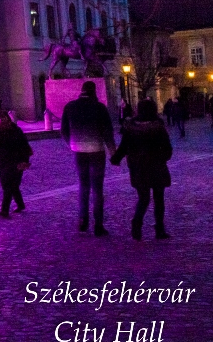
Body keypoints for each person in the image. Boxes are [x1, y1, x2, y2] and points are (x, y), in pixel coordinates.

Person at [61, 80, 116, 236]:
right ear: (94, 91)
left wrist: (71, 144)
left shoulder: (70, 107)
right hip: (96, 150)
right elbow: (107, 133)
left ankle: (82, 220)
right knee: (97, 188)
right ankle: (98, 224)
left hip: (78, 150)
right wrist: (113, 153)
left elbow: (64, 130)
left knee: (83, 185)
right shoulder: (99, 108)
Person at [111, 98, 172, 240]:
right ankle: (159, 229)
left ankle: (137, 224)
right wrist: (163, 157)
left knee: (143, 198)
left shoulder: (130, 127)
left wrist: (116, 159)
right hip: (156, 165)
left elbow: (124, 146)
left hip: (138, 167)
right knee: (158, 198)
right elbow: (167, 148)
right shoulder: (158, 126)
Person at [0, 114, 33, 217]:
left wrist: (24, 161)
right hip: (2, 162)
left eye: (4, 121)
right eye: (0, 121)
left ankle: (5, 210)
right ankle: (20, 204)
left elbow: (24, 146)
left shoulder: (15, 131)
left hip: (16, 161)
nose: (2, 123)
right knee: (10, 185)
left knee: (9, 185)